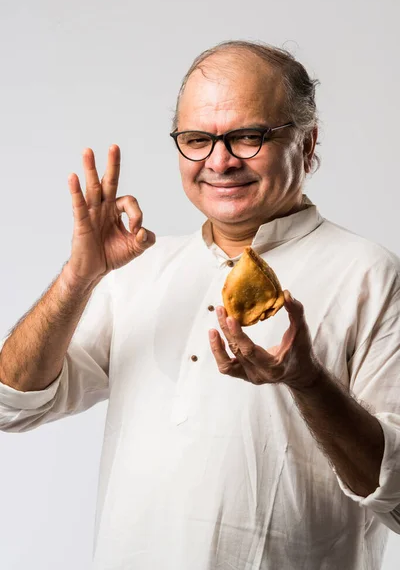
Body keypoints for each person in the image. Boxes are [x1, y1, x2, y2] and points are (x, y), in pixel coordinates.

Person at [0, 40, 400, 570]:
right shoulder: (138, 268)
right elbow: (13, 404)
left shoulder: (371, 275)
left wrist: (308, 383)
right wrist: (78, 278)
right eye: (197, 139)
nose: (220, 160)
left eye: (247, 136)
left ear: (308, 143)